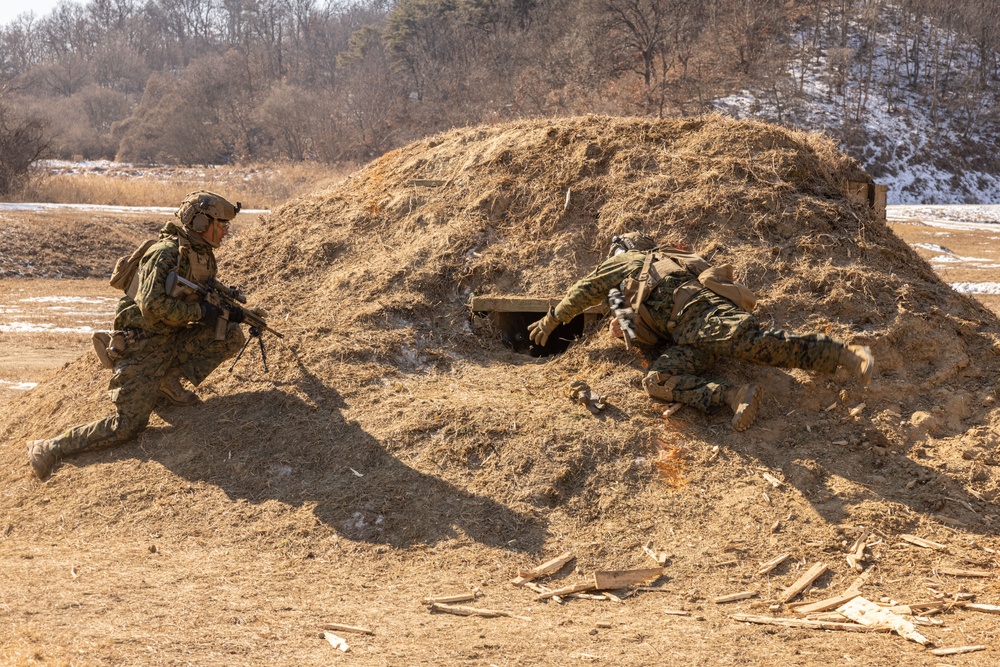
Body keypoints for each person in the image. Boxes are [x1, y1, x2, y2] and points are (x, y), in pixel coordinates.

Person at [528, 232, 873, 431]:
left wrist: (552, 319)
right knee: (658, 380)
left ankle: (843, 354)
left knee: (763, 345)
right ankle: (733, 395)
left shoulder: (630, 261)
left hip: (703, 314)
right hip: (688, 336)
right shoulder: (640, 282)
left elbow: (584, 289)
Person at [27, 191, 250, 479]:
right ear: (199, 223)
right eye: (221, 224)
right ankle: (50, 446)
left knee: (230, 334)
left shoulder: (201, 255)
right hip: (142, 345)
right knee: (127, 426)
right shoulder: (164, 254)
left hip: (170, 338)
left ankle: (167, 381)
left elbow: (198, 295)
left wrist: (227, 311)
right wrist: (200, 313)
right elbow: (152, 306)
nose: (226, 230)